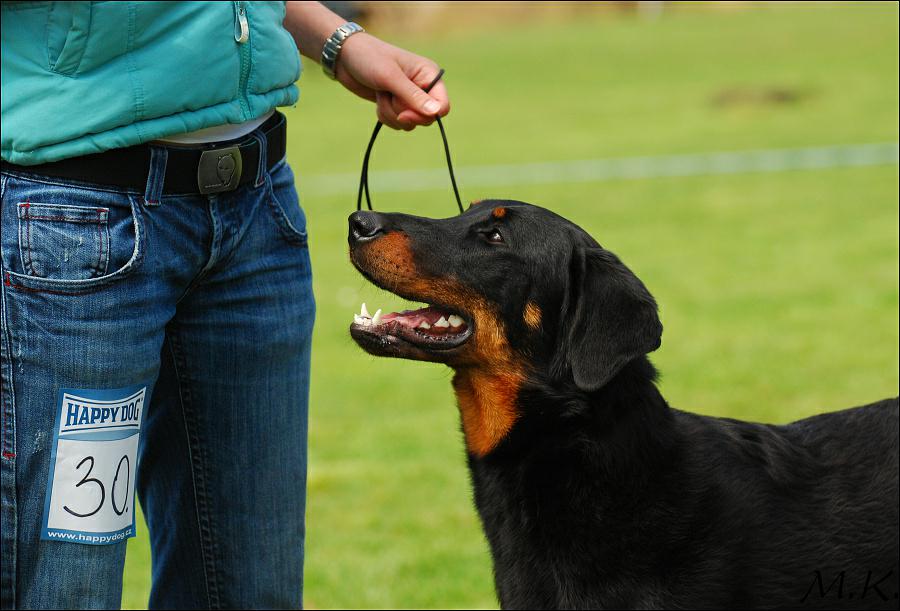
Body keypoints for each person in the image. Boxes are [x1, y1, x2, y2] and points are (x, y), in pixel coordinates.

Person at [0, 1, 449, 608]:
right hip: (77, 224)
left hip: (256, 214)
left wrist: (337, 40)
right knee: (64, 592)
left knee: (252, 594)